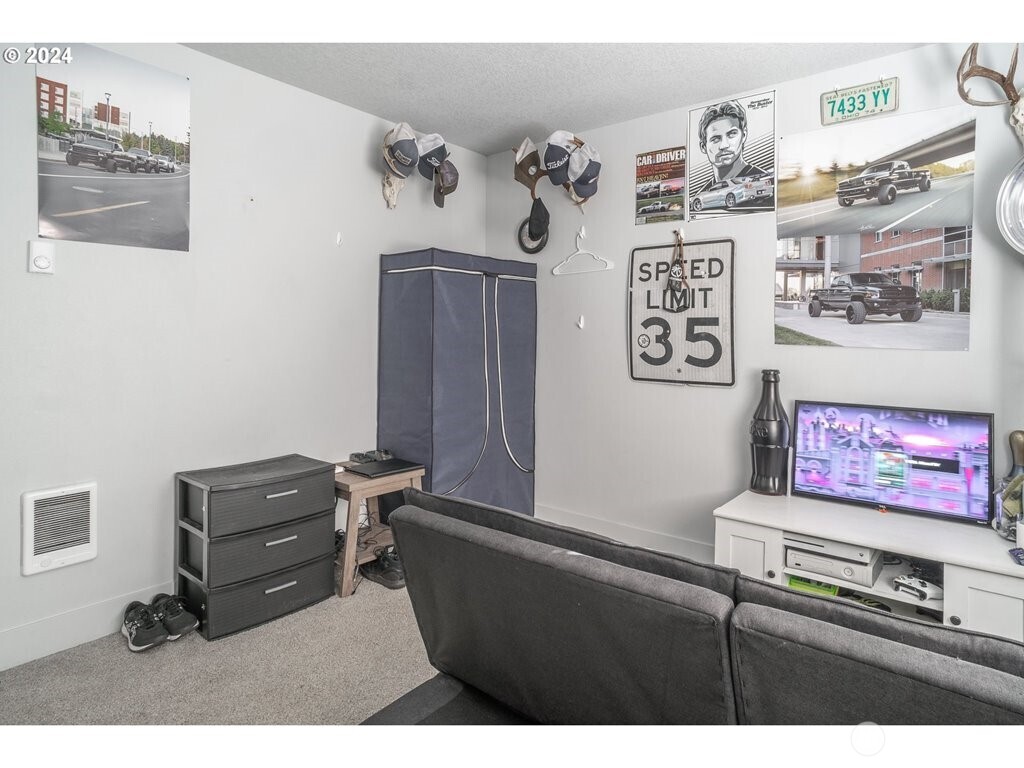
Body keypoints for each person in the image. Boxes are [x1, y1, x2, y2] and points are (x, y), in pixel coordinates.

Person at [693, 100, 766, 196]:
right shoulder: (701, 195)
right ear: (703, 147)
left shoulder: (763, 182)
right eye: (715, 139)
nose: (724, 145)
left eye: (731, 134)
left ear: (743, 136)